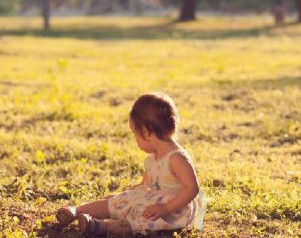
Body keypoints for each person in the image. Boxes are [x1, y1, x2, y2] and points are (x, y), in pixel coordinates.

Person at [55, 92, 205, 235]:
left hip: (173, 210)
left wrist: (165, 207)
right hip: (152, 198)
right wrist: (134, 191)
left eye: (134, 133)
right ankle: (76, 211)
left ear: (146, 132)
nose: (135, 138)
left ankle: (102, 227)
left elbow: (192, 188)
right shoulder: (154, 157)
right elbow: (149, 181)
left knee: (141, 218)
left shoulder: (176, 158)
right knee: (118, 201)